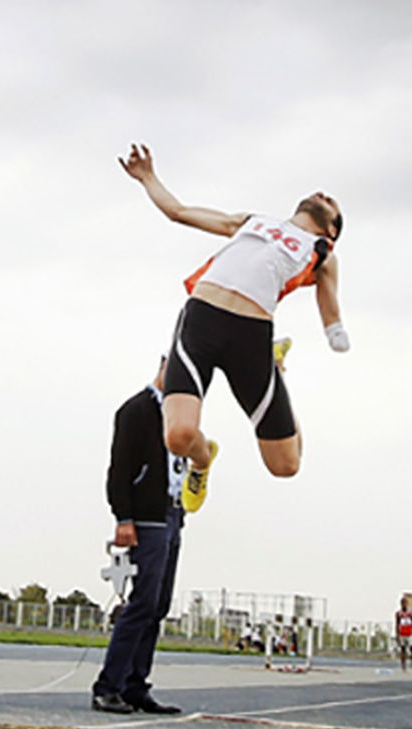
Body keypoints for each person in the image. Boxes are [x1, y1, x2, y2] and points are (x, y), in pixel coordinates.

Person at [119, 144, 348, 513]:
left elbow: (330, 303)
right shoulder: (254, 221)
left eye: (332, 203)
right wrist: (148, 178)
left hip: (251, 337)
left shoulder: (322, 252)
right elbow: (179, 212)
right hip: (202, 321)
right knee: (178, 438)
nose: (324, 195)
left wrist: (335, 332)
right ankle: (203, 459)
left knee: (285, 466)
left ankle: (276, 370)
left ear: (332, 229)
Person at [91, 356, 187, 716]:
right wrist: (124, 517)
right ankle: (108, 686)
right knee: (142, 602)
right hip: (146, 516)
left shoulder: (183, 415)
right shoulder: (136, 411)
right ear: (163, 366)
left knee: (158, 605)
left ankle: (135, 684)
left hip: (173, 511)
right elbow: (119, 469)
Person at [395, 597, 412, 672]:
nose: (404, 605)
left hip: (410, 632)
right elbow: (397, 624)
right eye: (402, 603)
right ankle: (403, 665)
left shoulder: (410, 613)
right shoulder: (398, 613)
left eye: (405, 603)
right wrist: (397, 635)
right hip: (402, 632)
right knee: (403, 649)